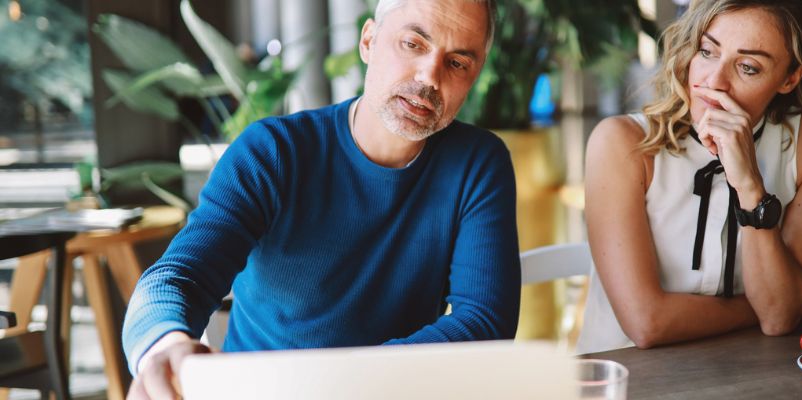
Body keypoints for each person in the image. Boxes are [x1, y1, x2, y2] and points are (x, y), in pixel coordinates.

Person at [123, 0, 520, 398]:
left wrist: (339, 383)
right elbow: (177, 279)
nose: (429, 76)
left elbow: (483, 320)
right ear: (369, 41)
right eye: (413, 44)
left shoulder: (478, 164)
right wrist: (166, 348)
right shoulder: (272, 153)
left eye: (457, 64)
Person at [577, 0, 802, 354]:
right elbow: (647, 324)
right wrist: (764, 309)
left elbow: (781, 316)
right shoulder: (621, 143)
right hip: (625, 379)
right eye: (707, 51)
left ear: (790, 78)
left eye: (748, 67)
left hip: (754, 375)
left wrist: (750, 186)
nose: (714, 82)